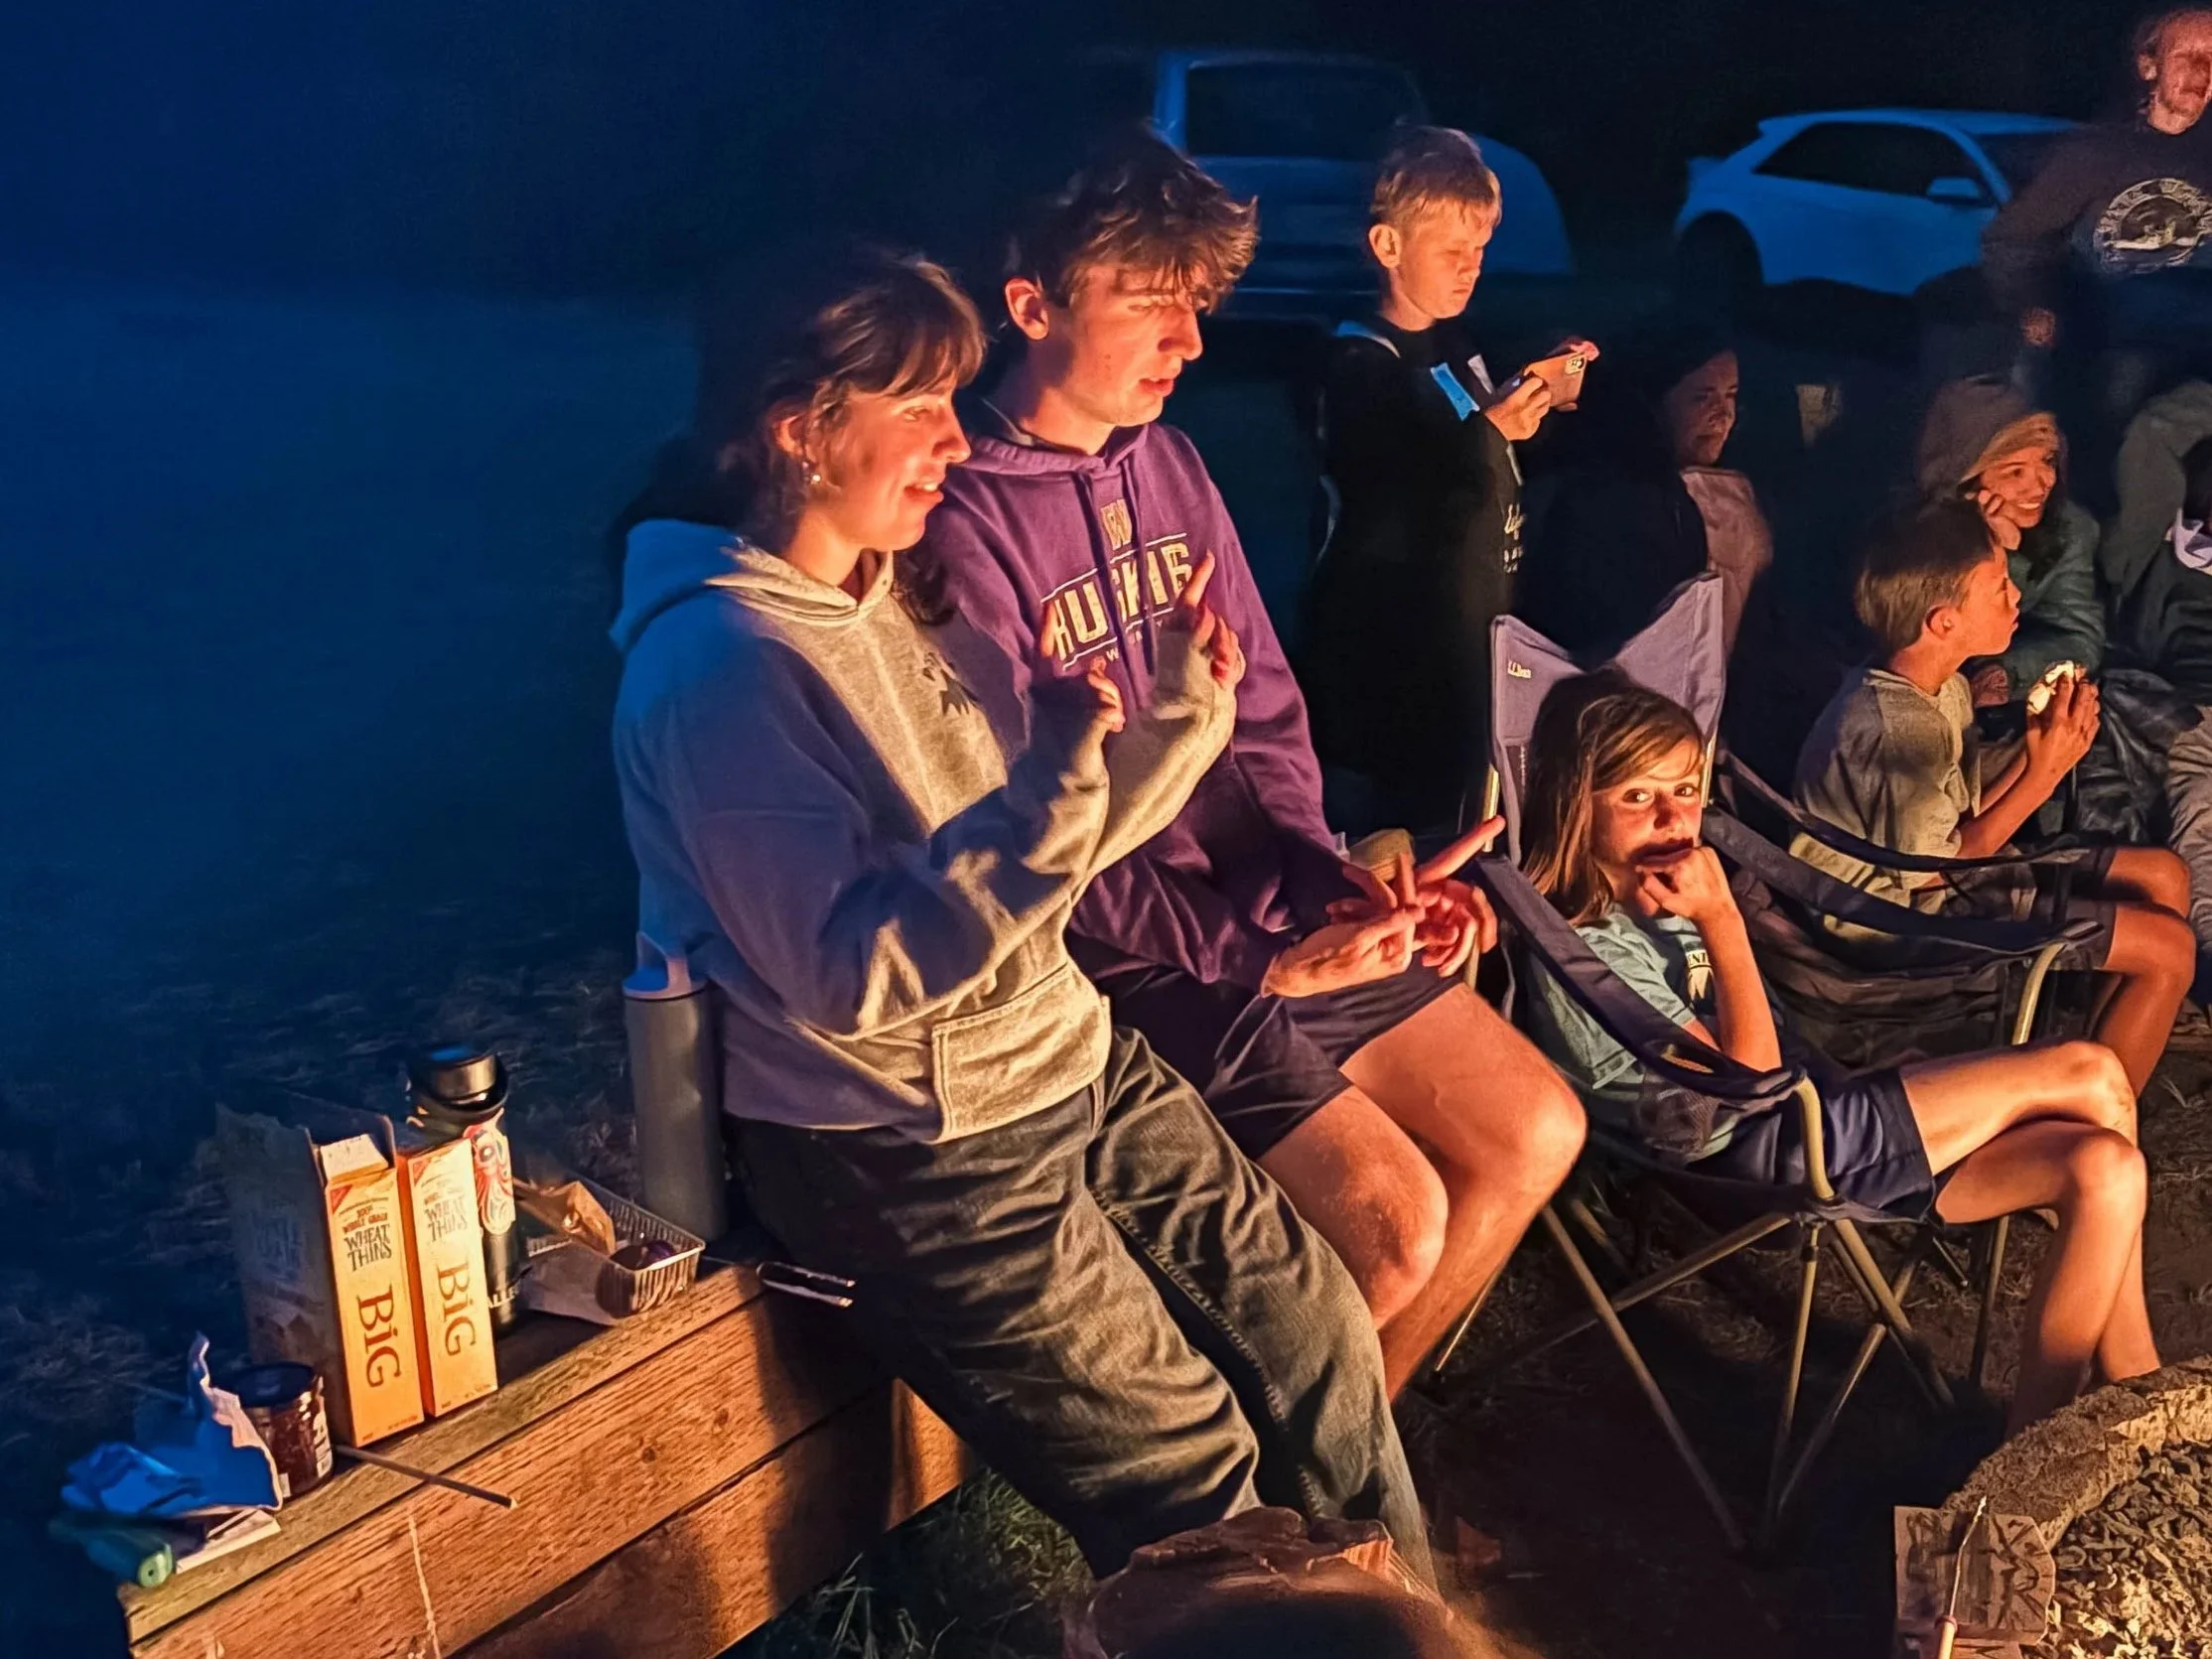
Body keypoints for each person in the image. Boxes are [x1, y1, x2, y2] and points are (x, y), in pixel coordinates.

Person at [609, 251, 1429, 1581]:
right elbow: (853, 973)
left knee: (1317, 1328)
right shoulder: (724, 668)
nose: (955, 431)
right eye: (922, 402)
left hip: (1062, 1053)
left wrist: (1172, 732)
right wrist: (1044, 790)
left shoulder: (886, 594)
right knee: (1198, 1485)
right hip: (915, 1140)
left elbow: (1040, 863)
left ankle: (1405, 1623)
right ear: (798, 425)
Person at [912, 134, 1586, 1397]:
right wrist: (1251, 957)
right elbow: (1029, 844)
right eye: (1152, 301)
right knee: (1391, 1230)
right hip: (1130, 957)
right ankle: (1281, 1544)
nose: (1192, 340)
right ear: (1030, 305)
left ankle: (1335, 1505)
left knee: (1536, 1127)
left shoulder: (1168, 464)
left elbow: (1267, 711)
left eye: (1198, 304)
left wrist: (1324, 876)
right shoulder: (959, 517)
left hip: (1263, 911)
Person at [1524, 670, 2156, 1432]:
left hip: (1829, 1112)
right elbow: (1746, 1088)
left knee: (2108, 1169)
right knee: (2093, 1071)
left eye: (1686, 790)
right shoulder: (1585, 952)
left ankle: (2045, 1449)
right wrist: (1722, 916)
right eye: (1637, 797)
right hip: (1782, 1153)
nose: (1673, 817)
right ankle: (2137, 1397)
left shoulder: (1659, 888)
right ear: (1572, 805)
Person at [1792, 499, 2194, 1093]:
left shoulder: (1941, 686)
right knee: (2169, 951)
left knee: (2164, 876)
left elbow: (1962, 824)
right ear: (1943, 621)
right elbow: (1936, 871)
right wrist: (2044, 775)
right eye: (1998, 587)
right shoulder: (1898, 729)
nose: (2017, 598)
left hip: (1939, 881)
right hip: (1894, 925)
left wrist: (2046, 755)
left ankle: (2084, 1073)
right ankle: (2086, 1132)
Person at [1300, 125, 1595, 836]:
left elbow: (1489, 453)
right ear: (1389, 247)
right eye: (1453, 252)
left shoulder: (1454, 343)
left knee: (1468, 818)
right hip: (1392, 662)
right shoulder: (1356, 363)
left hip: (1471, 639)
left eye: (1481, 252)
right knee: (1406, 839)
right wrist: (1489, 429)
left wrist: (1540, 396)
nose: (1472, 269)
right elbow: (1400, 480)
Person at [1984, 7, 2212, 496]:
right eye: (2188, 57)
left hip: (2196, 336)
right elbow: (2013, 237)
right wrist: (2031, 303)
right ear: (2148, 65)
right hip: (2116, 341)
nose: (2202, 74)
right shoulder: (2094, 154)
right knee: (2120, 406)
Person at [1912, 374, 2104, 708]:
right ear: (1967, 477)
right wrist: (1989, 548)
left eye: (2047, 461)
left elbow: (2079, 636)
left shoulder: (2068, 527)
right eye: (2015, 472)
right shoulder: (1911, 534)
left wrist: (2005, 672)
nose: (2041, 483)